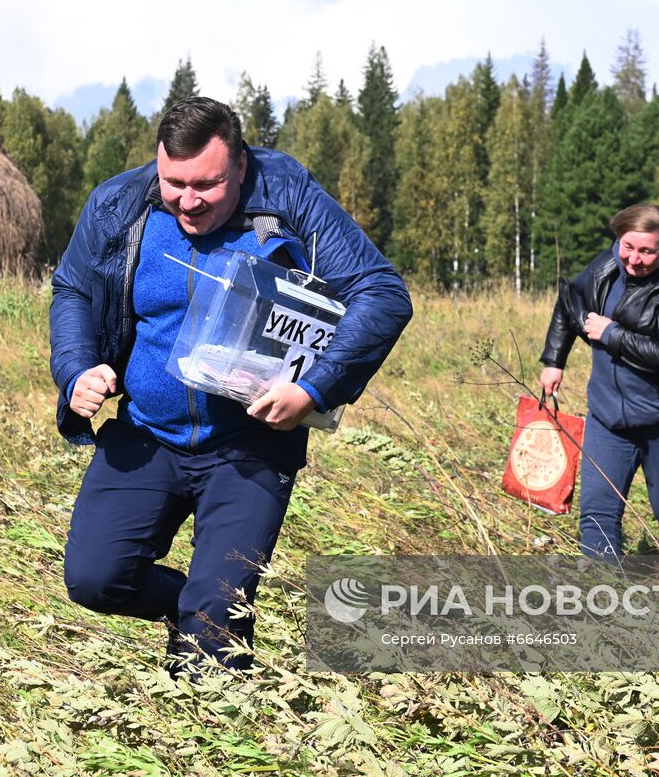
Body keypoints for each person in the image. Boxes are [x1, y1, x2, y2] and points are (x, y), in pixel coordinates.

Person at [50, 96, 412, 672]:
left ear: (241, 165)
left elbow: (382, 293)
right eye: (174, 183)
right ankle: (189, 606)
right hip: (146, 434)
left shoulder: (288, 194)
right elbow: (71, 288)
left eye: (207, 185)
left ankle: (210, 650)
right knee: (96, 580)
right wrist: (76, 368)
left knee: (210, 643)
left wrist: (313, 390)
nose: (188, 201)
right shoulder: (119, 203)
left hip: (251, 445)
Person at [538, 205, 659, 562]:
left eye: (647, 251)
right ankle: (604, 604)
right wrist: (554, 360)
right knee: (597, 514)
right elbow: (570, 301)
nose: (634, 259)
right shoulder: (606, 265)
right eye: (628, 246)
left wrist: (611, 334)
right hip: (608, 418)